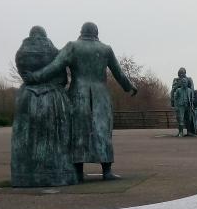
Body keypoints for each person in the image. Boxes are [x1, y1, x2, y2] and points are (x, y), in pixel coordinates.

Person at [27, 22, 137, 181]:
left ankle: (78, 172)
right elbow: (118, 73)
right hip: (101, 95)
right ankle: (106, 171)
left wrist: (35, 77)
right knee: (103, 131)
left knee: (78, 131)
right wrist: (129, 87)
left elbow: (55, 66)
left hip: (78, 94)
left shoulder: (72, 46)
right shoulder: (106, 49)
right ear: (96, 32)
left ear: (81, 32)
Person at [11, 26, 77, 187]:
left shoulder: (20, 55)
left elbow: (25, 77)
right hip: (53, 98)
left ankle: (23, 176)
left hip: (27, 98)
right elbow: (63, 78)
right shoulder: (55, 53)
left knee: (26, 139)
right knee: (55, 138)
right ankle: (58, 174)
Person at [170, 68, 194, 137]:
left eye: (182, 73)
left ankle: (189, 132)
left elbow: (192, 90)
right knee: (180, 118)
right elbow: (173, 91)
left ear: (185, 73)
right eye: (180, 73)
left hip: (188, 103)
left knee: (189, 118)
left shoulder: (189, 79)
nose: (181, 74)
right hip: (180, 103)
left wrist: (192, 102)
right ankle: (180, 132)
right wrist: (173, 102)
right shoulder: (176, 80)